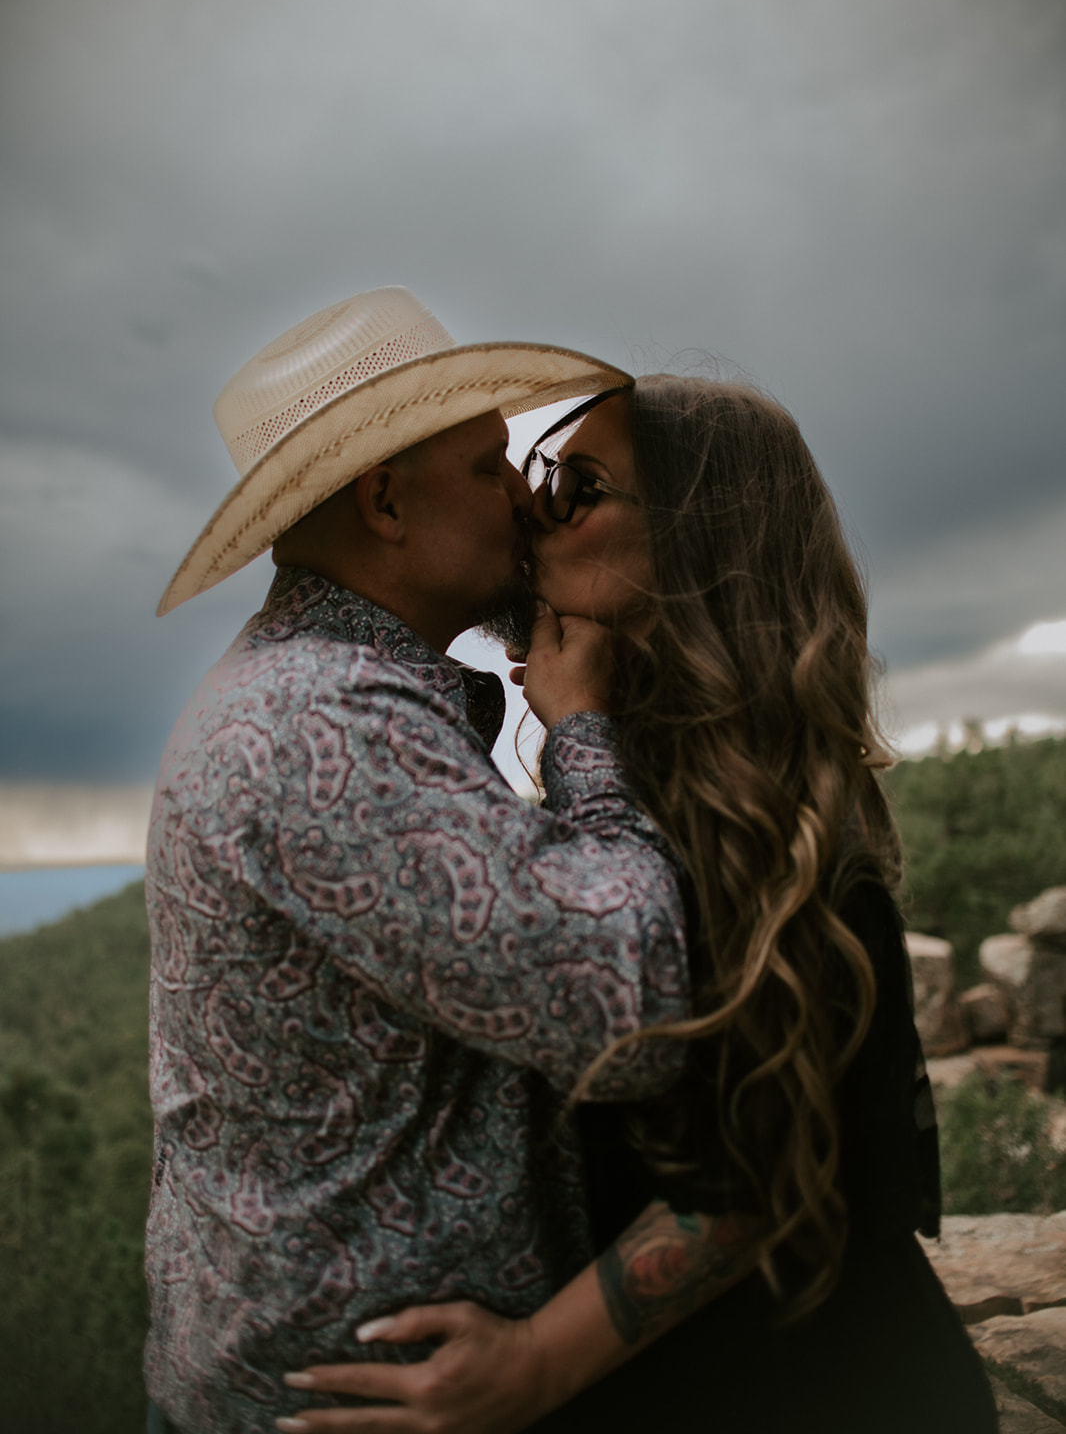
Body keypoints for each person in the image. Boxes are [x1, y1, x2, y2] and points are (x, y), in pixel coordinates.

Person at [281, 378, 999, 1433]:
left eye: (578, 486)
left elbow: (755, 1169)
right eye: (535, 475)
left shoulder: (779, 829)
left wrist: (529, 1365)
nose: (533, 507)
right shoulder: (631, 779)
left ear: (697, 548)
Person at [143, 288, 695, 1434]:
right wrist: (584, 728)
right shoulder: (323, 721)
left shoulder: (318, 691)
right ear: (386, 501)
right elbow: (631, 1008)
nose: (523, 501)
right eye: (489, 468)